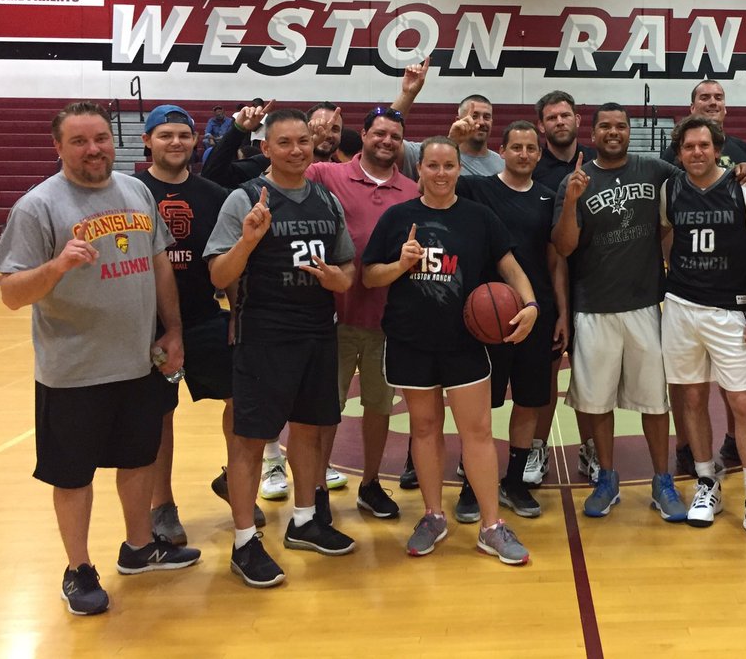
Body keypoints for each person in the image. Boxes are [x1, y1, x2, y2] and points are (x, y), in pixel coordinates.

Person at [0, 101, 200, 616]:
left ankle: (137, 548)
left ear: (116, 142)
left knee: (137, 461)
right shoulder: (38, 206)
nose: (93, 150)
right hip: (73, 372)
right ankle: (78, 569)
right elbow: (13, 294)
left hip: (139, 362)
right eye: (80, 141)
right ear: (58, 147)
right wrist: (59, 266)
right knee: (73, 475)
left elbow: (159, 266)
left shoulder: (135, 191)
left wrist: (173, 329)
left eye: (101, 139)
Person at [361, 136, 538, 565]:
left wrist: (529, 304)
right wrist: (400, 265)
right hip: (410, 340)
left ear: (460, 170)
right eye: (432, 166)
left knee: (476, 431)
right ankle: (433, 515)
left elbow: (510, 266)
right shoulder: (397, 218)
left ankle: (491, 525)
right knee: (424, 429)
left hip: (464, 342)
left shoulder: (479, 217)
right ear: (418, 170)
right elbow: (369, 277)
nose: (441, 173)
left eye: (449, 166)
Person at [205, 109, 357, 588]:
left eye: (304, 142)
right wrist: (248, 242)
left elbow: (347, 270)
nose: (297, 150)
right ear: (265, 148)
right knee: (250, 441)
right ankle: (245, 541)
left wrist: (338, 279)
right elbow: (218, 277)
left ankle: (306, 520)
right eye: (285, 142)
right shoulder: (243, 198)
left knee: (310, 431)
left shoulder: (327, 200)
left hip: (317, 331)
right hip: (264, 336)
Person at [134, 104, 266, 544]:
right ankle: (163, 506)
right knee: (158, 415)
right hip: (147, 326)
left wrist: (235, 313)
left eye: (183, 135)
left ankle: (235, 480)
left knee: (243, 398)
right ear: (147, 141)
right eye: (166, 134)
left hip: (205, 316)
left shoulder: (212, 193)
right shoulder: (131, 193)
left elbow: (227, 257)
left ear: (196, 142)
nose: (175, 142)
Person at [552, 102, 688, 522]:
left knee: (654, 401)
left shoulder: (654, 170)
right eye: (605, 126)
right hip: (593, 306)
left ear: (630, 131)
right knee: (595, 402)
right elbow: (564, 246)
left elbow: (701, 181)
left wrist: (740, 171)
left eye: (621, 126)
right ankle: (607, 478)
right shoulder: (574, 180)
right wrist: (573, 200)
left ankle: (661, 478)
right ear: (592, 133)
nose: (614, 132)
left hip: (645, 304)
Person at [661, 116, 746, 548]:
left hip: (729, 310)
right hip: (679, 307)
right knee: (691, 398)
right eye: (689, 146)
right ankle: (707, 482)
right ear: (680, 153)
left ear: (717, 148)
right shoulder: (671, 189)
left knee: (742, 401)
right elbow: (665, 235)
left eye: (704, 145)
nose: (697, 152)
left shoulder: (745, 186)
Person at [305, 107, 420, 521]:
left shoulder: (411, 190)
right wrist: (312, 135)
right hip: (330, 316)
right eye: (379, 134)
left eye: (395, 136)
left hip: (387, 320)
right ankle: (315, 487)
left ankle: (370, 483)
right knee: (324, 409)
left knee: (378, 406)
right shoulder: (327, 175)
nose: (387, 141)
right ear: (364, 135)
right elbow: (284, 171)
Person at [454, 122, 568, 521]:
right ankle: (472, 484)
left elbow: (556, 261)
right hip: (488, 315)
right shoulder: (478, 189)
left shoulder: (547, 197)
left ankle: (515, 482)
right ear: (501, 151)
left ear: (539, 155)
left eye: (530, 149)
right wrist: (456, 138)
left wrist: (560, 313)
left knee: (529, 402)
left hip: (536, 313)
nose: (523, 154)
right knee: (481, 407)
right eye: (515, 147)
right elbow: (435, 177)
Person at [526, 90, 599, 488]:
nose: (559, 122)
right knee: (546, 374)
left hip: (594, 284)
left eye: (565, 115)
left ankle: (590, 449)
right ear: (542, 125)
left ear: (577, 119)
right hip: (548, 283)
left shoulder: (597, 162)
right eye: (551, 117)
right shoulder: (534, 168)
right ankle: (537, 447)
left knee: (588, 376)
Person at [455, 95, 505, 176]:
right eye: (474, 116)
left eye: (486, 117)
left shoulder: (504, 166)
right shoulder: (446, 163)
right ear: (458, 121)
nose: (481, 122)